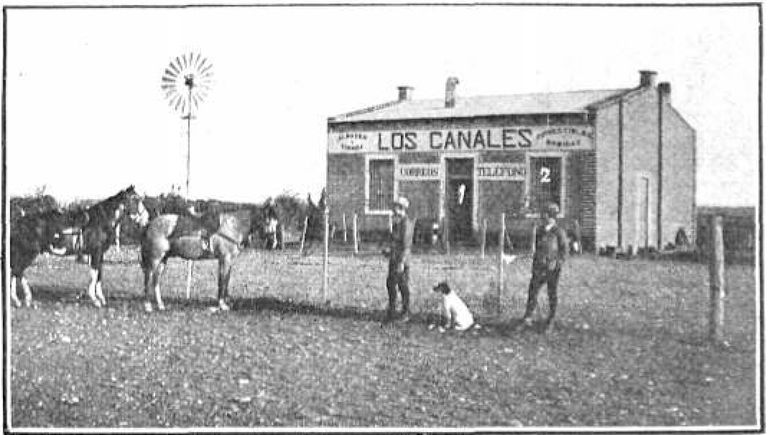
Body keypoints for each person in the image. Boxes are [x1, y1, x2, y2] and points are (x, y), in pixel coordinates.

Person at [519, 202, 569, 330]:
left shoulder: (558, 232)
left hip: (552, 268)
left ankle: (551, 318)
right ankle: (527, 317)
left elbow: (564, 252)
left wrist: (557, 263)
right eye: (543, 214)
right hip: (539, 266)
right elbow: (537, 247)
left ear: (551, 216)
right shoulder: (540, 230)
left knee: (552, 292)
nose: (543, 217)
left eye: (545, 214)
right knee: (533, 291)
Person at [384, 197, 414, 322]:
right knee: (390, 284)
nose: (394, 210)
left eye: (396, 208)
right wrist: (388, 251)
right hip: (394, 258)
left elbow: (406, 245)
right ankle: (392, 311)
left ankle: (406, 312)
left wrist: (401, 262)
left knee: (402, 286)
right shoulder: (397, 223)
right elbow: (395, 242)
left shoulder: (406, 223)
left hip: (401, 260)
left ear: (402, 209)